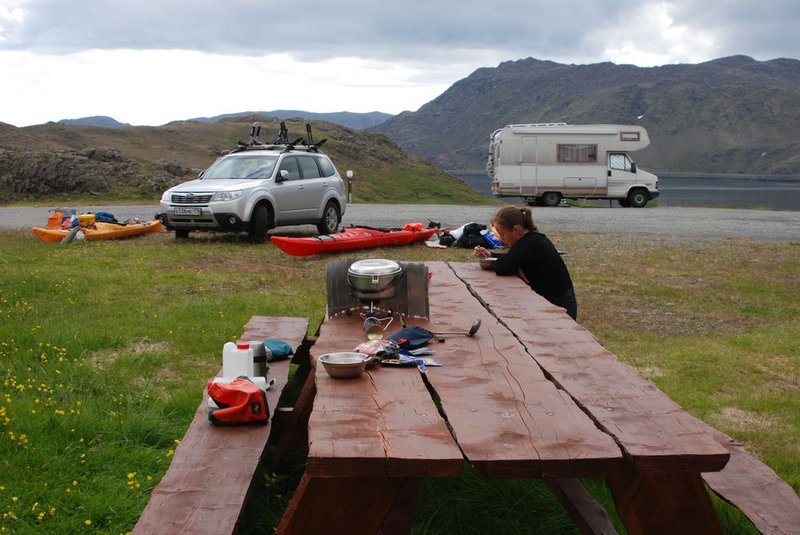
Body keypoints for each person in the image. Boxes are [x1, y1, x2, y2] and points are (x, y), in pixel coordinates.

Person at [473, 206, 577, 320]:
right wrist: (491, 255)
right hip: (558, 301)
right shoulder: (533, 240)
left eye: (503, 234)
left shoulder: (528, 244)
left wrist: (510, 265)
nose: (501, 239)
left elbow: (502, 267)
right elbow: (513, 258)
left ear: (516, 230)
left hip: (560, 307)